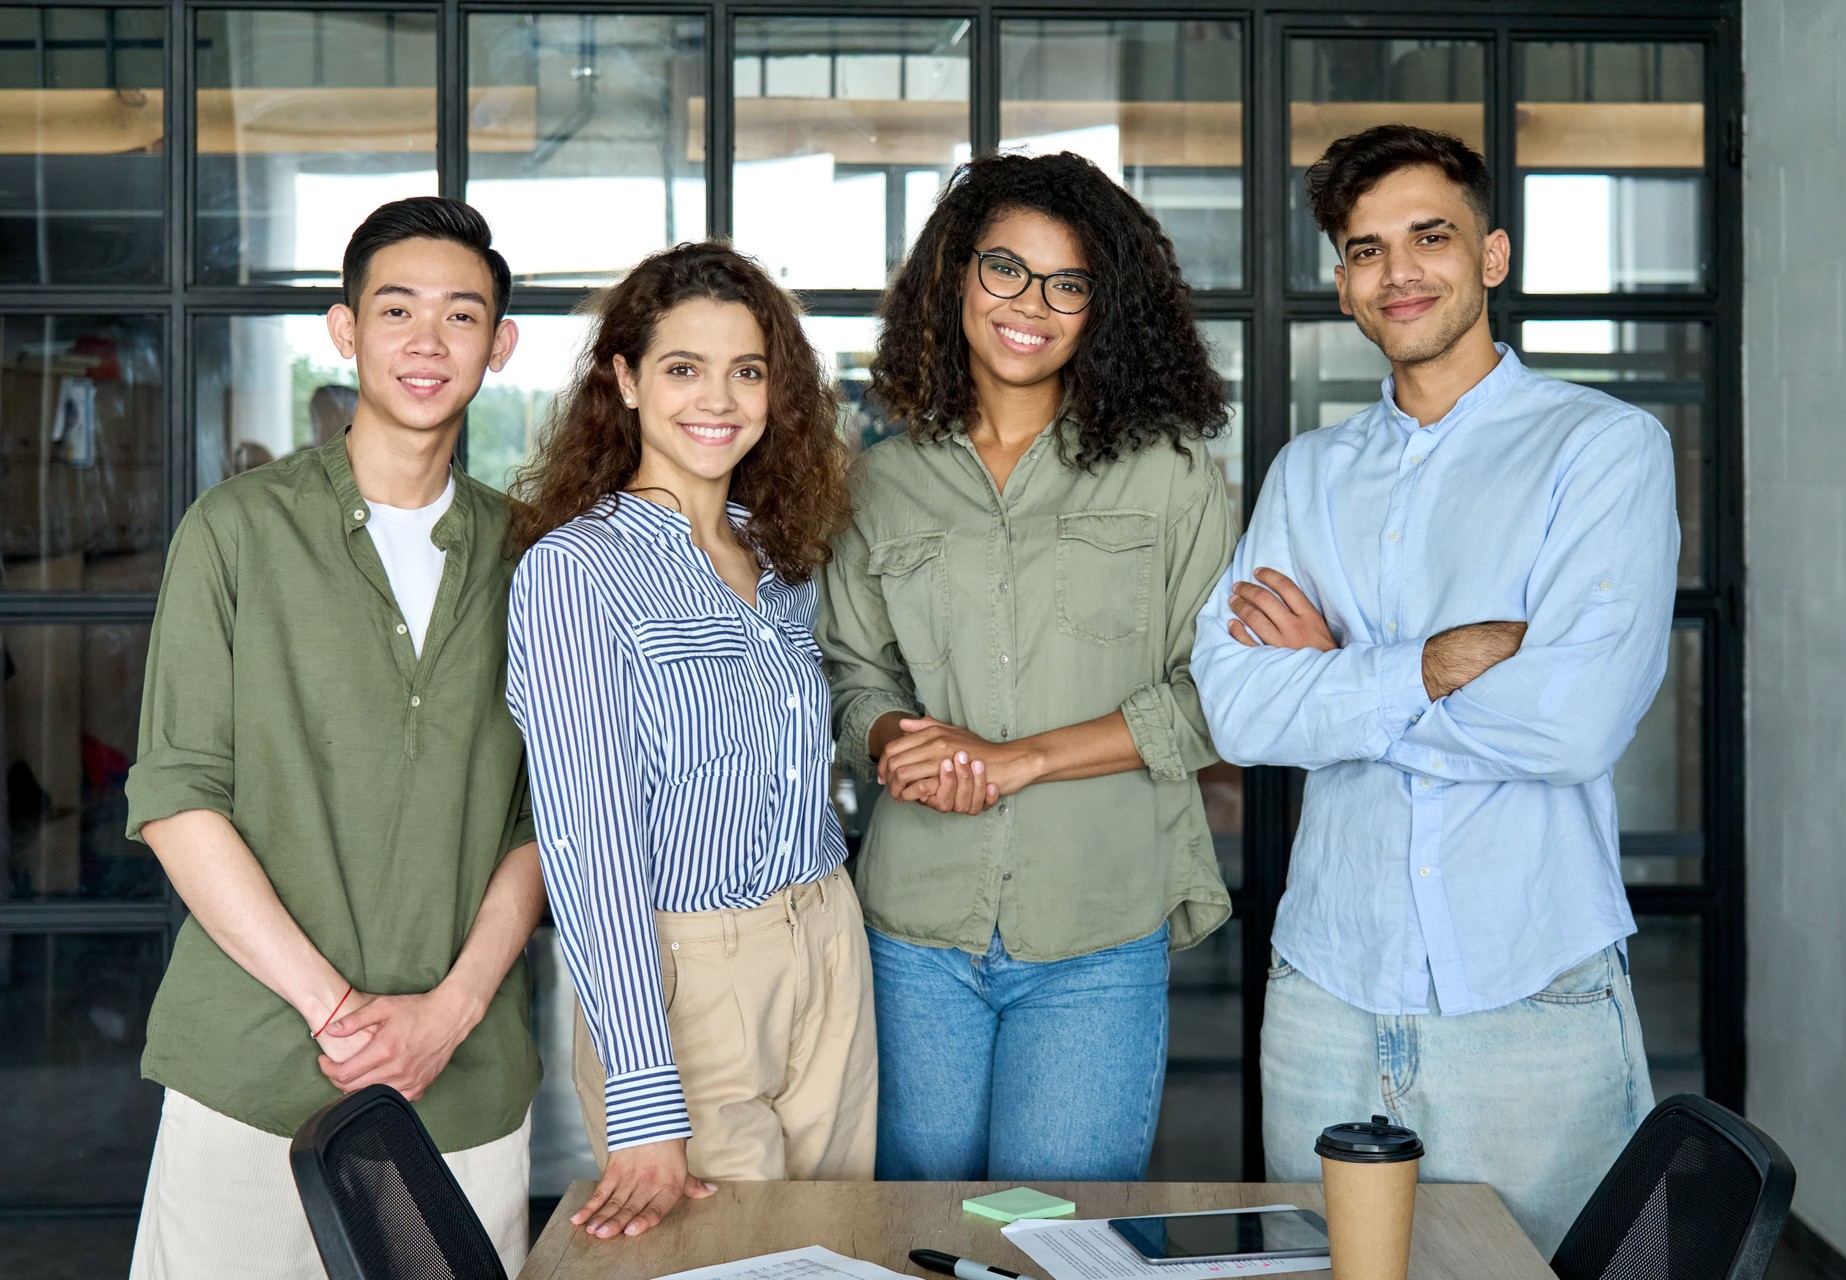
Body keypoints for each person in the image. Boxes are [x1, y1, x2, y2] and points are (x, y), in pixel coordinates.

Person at [1190, 125, 1679, 1254]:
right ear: (1344, 282)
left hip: (1529, 991)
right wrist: (1426, 663)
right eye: (1366, 249)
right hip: (1325, 988)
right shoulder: (1306, 472)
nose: (1398, 271)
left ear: (1493, 255)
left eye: (1430, 236)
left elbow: (1571, 722)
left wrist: (1339, 684)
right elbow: (1239, 709)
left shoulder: (1601, 449)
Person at [125, 196, 544, 1277]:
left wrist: (444, 1019)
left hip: (464, 1081)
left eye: (461, 315)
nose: (426, 340)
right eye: (396, 308)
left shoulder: (536, 558)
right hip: (253, 1069)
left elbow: (553, 821)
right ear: (344, 328)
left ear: (499, 345)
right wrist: (346, 1016)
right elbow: (177, 797)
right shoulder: (236, 529)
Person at [816, 151, 1237, 1181]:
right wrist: (888, 739)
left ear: (1104, 307)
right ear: (957, 276)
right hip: (913, 929)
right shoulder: (882, 484)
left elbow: (1221, 697)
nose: (1031, 305)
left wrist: (1021, 760)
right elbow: (848, 669)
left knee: (1054, 1234)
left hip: (1097, 928)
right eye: (1005, 268)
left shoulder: (1173, 475)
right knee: (915, 1229)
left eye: (1068, 283)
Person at [506, 242, 870, 1242]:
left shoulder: (778, 553)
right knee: (731, 1257)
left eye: (747, 370)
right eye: (682, 367)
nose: (720, 398)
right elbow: (589, 845)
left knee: (837, 1250)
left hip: (830, 938)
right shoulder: (577, 571)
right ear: (622, 380)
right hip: (688, 969)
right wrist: (643, 1094)